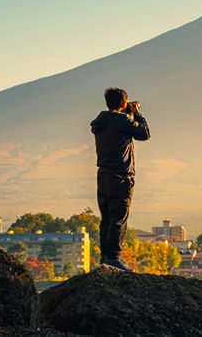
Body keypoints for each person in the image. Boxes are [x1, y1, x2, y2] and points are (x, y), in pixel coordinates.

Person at [90, 87, 150, 271]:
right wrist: (137, 114)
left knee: (106, 218)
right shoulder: (122, 120)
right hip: (121, 176)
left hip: (103, 175)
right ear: (124, 103)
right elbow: (144, 133)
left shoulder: (101, 121)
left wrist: (126, 113)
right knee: (119, 218)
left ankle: (104, 257)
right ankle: (113, 257)